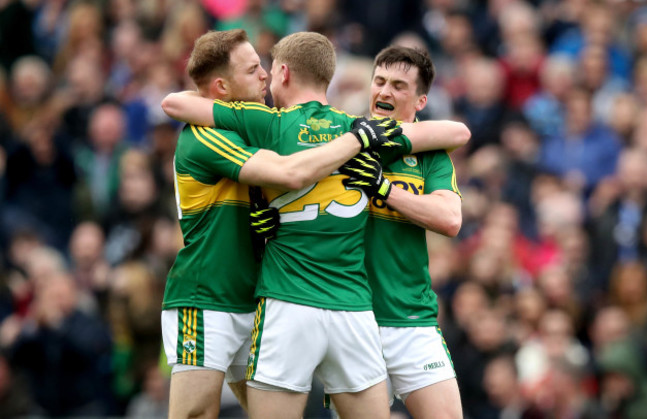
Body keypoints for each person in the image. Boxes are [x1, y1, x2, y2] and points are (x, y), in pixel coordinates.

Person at [162, 32, 469, 419]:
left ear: (284, 73)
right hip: (342, 308)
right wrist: (358, 140)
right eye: (254, 68)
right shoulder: (356, 130)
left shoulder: (269, 124)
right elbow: (456, 132)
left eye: (266, 69)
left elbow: (172, 103)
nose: (264, 78)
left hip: (303, 305)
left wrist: (380, 183)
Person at [335, 45, 464, 419]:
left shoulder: (431, 153)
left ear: (421, 100)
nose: (385, 92)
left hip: (411, 318)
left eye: (398, 86)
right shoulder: (345, 139)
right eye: (379, 81)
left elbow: (450, 219)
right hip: (352, 319)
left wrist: (383, 189)